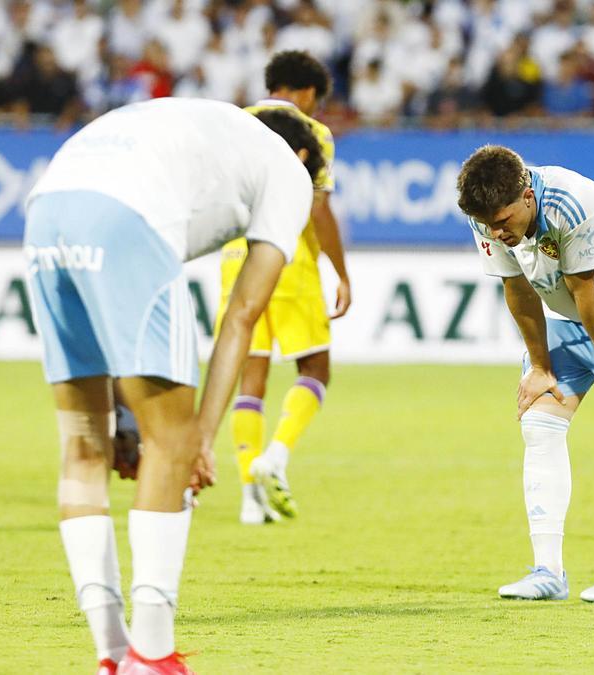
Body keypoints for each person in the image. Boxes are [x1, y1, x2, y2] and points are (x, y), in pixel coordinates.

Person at [23, 98, 323, 675]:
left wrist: (124, 416)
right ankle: (154, 654)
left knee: (84, 444)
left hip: (47, 209)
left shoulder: (211, 137)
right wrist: (199, 439)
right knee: (171, 442)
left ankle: (113, 652)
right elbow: (242, 315)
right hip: (125, 217)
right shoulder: (289, 174)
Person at [456, 145, 594, 604]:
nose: (496, 232)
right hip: (570, 311)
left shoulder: (572, 203)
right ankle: (548, 572)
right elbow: (517, 290)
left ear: (526, 196)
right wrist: (540, 367)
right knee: (539, 423)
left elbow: (586, 289)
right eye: (487, 224)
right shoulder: (487, 216)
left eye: (503, 221)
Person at [215, 50, 351, 525]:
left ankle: (249, 497)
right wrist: (341, 272)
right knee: (315, 368)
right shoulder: (312, 133)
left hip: (236, 258)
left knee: (250, 376)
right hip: (289, 258)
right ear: (308, 92)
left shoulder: (233, 125)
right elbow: (318, 209)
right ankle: (275, 455)